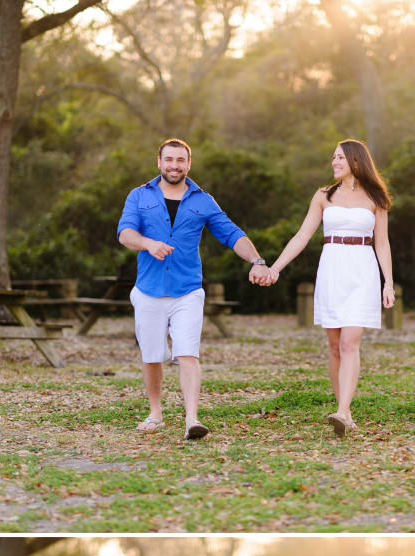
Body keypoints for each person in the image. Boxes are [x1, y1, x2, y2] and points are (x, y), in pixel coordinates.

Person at [117, 139, 274, 441]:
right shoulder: (139, 196)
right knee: (152, 355)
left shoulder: (202, 200)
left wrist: (257, 260)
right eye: (169, 159)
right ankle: (155, 413)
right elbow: (125, 233)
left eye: (180, 160)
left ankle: (192, 419)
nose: (174, 165)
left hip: (188, 289)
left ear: (189, 164)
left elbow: (231, 233)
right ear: (159, 162)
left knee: (187, 353)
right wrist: (148, 244)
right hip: (148, 289)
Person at [261, 140, 395, 437]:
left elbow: (382, 243)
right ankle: (342, 410)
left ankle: (343, 412)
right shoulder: (324, 195)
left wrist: (388, 282)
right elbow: (301, 236)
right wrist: (275, 268)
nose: (334, 162)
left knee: (350, 343)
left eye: (340, 157)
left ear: (356, 162)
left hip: (362, 270)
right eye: (333, 157)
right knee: (334, 348)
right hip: (332, 269)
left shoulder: (375, 197)